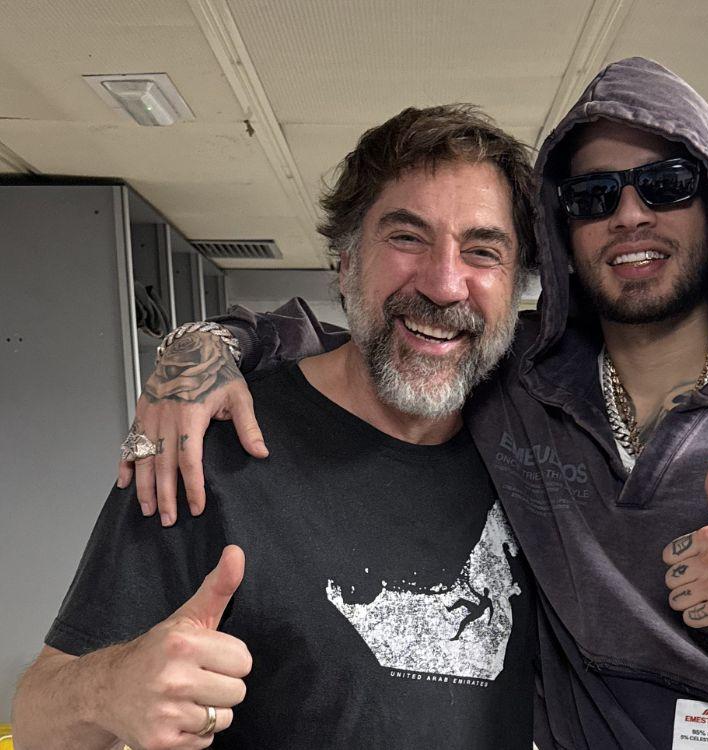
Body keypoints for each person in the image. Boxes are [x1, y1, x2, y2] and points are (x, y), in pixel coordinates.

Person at [113, 58, 708, 748]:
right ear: (565, 236)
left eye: (664, 186)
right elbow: (385, 338)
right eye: (590, 197)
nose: (628, 214)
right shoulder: (524, 379)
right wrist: (206, 349)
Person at [12, 105, 540, 750]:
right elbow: (38, 717)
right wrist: (112, 689)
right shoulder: (210, 449)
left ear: (517, 289)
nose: (444, 283)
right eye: (407, 238)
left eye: (483, 250)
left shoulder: (537, 451)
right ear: (345, 265)